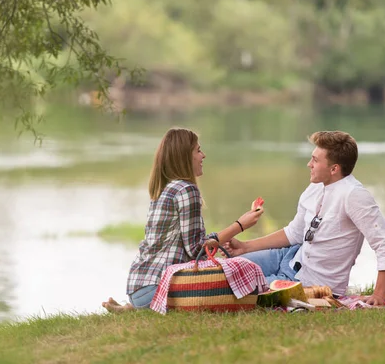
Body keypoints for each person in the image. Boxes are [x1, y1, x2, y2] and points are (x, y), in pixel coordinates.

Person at [225, 130, 385, 306]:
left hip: (311, 284)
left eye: (315, 160)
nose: (309, 164)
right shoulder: (316, 186)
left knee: (228, 288)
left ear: (334, 169)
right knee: (225, 270)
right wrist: (244, 247)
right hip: (288, 256)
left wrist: (379, 295)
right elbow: (295, 233)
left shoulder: (354, 195)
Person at [102, 127, 264, 312]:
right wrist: (240, 225)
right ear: (184, 157)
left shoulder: (164, 189)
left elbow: (186, 245)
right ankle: (144, 307)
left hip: (138, 286)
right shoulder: (187, 190)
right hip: (157, 288)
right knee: (242, 273)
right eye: (198, 150)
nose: (203, 155)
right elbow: (196, 249)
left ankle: (134, 307)